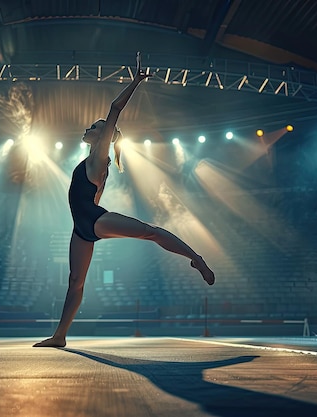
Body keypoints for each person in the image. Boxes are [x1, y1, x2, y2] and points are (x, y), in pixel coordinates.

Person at [34, 53, 215, 348]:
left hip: (93, 219)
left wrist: (136, 80)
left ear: (104, 134)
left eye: (95, 127)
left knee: (151, 231)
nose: (88, 129)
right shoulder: (94, 160)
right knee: (75, 282)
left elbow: (115, 108)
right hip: (81, 228)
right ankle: (59, 336)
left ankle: (197, 259)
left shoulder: (98, 156)